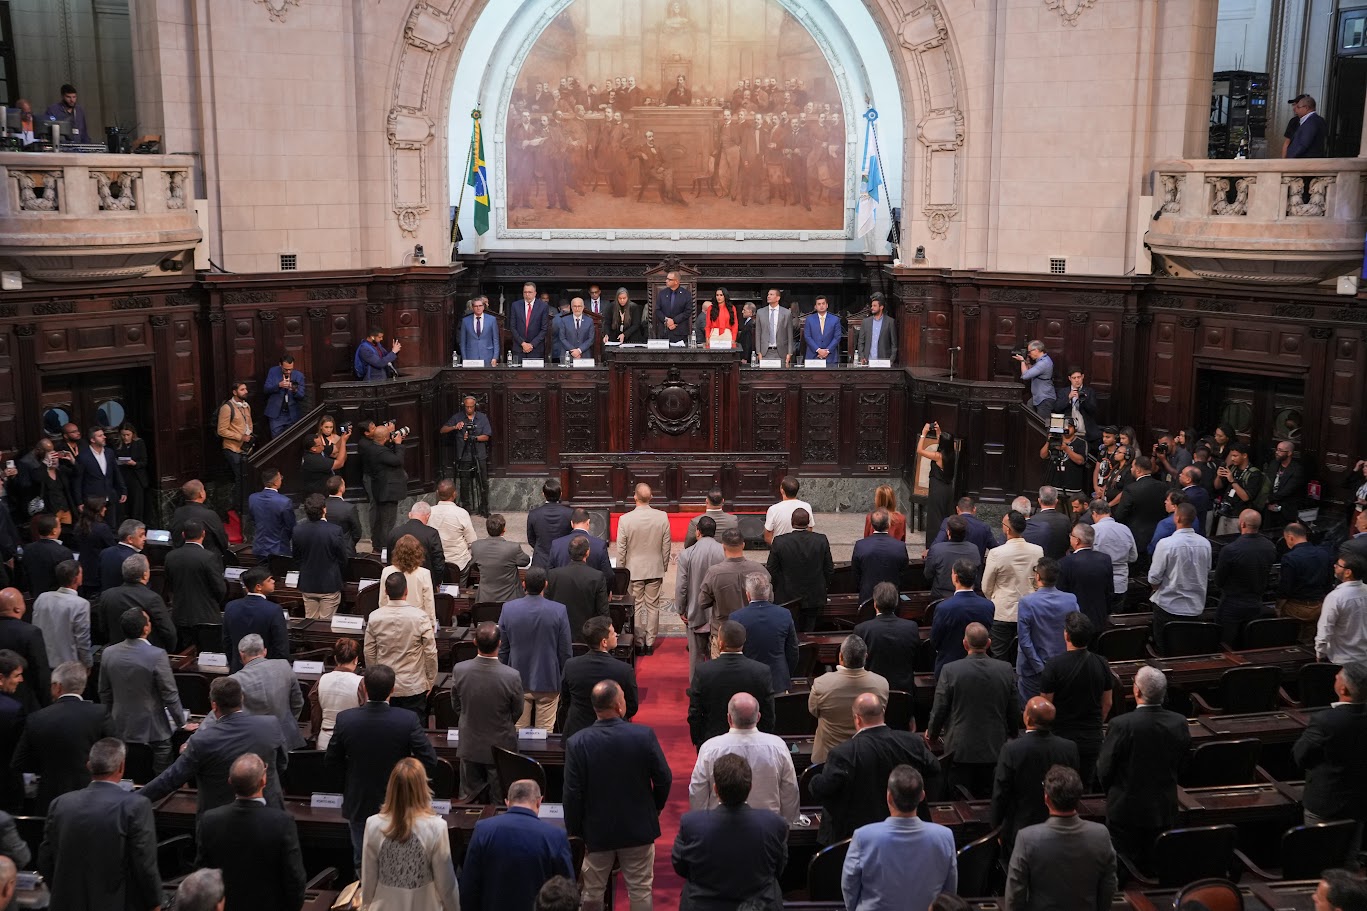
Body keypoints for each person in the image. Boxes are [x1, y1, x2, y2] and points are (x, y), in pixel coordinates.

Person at [565, 679, 672, 911]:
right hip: (637, 828)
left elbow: (572, 794)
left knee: (592, 892)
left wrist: (575, 833)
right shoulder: (643, 735)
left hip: (596, 831)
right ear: (618, 706)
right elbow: (664, 778)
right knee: (640, 890)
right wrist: (654, 808)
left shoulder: (577, 743)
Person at [326, 665, 440, 866]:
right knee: (398, 863)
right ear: (393, 689)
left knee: (363, 862)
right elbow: (429, 760)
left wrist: (349, 784)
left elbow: (331, 762)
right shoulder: (407, 720)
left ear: (364, 688)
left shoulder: (345, 719)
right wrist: (411, 785)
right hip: (399, 802)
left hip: (359, 801)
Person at [37, 738, 161, 911]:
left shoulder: (60, 803)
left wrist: (62, 892)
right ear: (121, 767)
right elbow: (144, 865)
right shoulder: (137, 806)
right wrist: (155, 902)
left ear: (89, 766)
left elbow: (45, 860)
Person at [811, 692, 940, 844]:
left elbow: (823, 790)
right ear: (883, 712)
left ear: (857, 719)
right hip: (908, 831)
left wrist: (814, 780)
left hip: (859, 835)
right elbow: (935, 768)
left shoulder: (843, 754)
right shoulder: (912, 741)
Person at [1096, 666, 1191, 864]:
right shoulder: (1179, 722)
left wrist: (1114, 792)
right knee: (1156, 863)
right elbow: (1183, 764)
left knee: (1124, 865)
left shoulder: (1121, 724)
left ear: (1136, 691)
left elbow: (1104, 768)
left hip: (1125, 809)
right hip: (1163, 807)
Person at [674, 753, 789, 911]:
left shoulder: (691, 824)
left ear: (715, 789)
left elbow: (680, 865)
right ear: (750, 787)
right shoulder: (774, 824)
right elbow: (779, 866)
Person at [195, 752, 306, 911]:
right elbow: (294, 876)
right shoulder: (282, 822)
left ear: (230, 781)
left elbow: (202, 873)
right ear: (263, 781)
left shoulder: (209, 820)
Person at [840, 765, 956, 911]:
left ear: (889, 797)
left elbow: (849, 885)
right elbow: (949, 894)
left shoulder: (863, 836)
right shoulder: (945, 836)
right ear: (922, 796)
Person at [1005, 765, 1117, 911]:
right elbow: (1108, 888)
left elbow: (1014, 897)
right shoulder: (1101, 834)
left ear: (1046, 798)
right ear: (1079, 798)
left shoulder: (1026, 838)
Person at [927, 623, 1018, 798]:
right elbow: (1013, 709)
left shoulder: (950, 670)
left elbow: (940, 708)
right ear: (989, 643)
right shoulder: (1005, 669)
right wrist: (1013, 733)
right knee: (990, 800)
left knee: (959, 800)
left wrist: (932, 733)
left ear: (965, 644)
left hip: (959, 750)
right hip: (994, 747)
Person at [460, 778, 575, 911]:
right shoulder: (556, 836)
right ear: (539, 802)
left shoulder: (483, 830)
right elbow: (567, 894)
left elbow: (468, 888)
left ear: (507, 802)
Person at [361, 757, 461, 909]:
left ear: (391, 787)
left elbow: (369, 878)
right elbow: (446, 884)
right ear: (422, 787)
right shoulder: (437, 827)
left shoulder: (373, 824)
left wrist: (365, 905)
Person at [98, 608, 186, 774]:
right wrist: (182, 722)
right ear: (146, 628)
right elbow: (169, 693)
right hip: (154, 729)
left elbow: (104, 692)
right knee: (161, 777)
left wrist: (111, 719)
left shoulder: (108, 653)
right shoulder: (157, 655)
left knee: (127, 774)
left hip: (120, 726)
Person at [11, 661, 107, 812]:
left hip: (50, 797)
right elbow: (115, 752)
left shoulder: (36, 718)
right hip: (91, 795)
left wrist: (48, 766)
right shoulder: (100, 714)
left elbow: (20, 762)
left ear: (57, 686)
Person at [991, 697, 1080, 859]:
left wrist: (995, 827)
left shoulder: (1012, 749)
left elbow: (1001, 792)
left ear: (1028, 719)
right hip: (1060, 826)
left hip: (1020, 827)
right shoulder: (1069, 748)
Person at [1293, 661, 1367, 853]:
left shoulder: (1325, 720)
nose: (1335, 676)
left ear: (1343, 689)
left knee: (1318, 856)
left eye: (1338, 676)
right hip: (1360, 802)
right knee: (1349, 856)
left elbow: (1301, 756)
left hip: (1326, 802)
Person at [688, 692, 798, 821]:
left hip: (720, 825)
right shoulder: (778, 746)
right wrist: (787, 825)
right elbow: (790, 790)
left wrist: (702, 824)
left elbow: (698, 791)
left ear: (729, 718)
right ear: (758, 717)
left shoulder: (710, 748)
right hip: (767, 826)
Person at [448, 621, 523, 802]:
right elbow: (517, 711)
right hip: (501, 746)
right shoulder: (511, 676)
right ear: (500, 643)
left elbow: (456, 705)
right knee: (499, 802)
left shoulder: (460, 670)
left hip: (470, 743)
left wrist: (470, 718)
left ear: (475, 642)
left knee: (469, 801)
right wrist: (502, 723)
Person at [1040, 612, 1113, 788]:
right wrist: (1094, 724)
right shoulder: (1102, 663)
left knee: (1060, 788)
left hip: (1061, 737)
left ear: (1066, 635)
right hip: (1092, 737)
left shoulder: (1054, 665)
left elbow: (1046, 706)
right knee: (1085, 787)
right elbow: (1107, 702)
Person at [498, 565, 572, 729]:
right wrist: (563, 679)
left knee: (518, 732)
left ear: (524, 584)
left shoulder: (508, 608)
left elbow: (503, 649)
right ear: (546, 584)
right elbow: (565, 651)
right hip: (548, 679)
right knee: (544, 734)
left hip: (517, 679)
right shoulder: (559, 610)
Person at [688, 620, 776, 746]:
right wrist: (763, 740)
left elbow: (695, 712)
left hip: (712, 740)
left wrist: (699, 741)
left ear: (720, 643)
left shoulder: (704, 671)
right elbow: (768, 713)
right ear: (744, 641)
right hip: (751, 742)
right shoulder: (761, 671)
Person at [365, 573, 438, 721]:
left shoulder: (374, 617)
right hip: (413, 684)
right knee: (413, 729)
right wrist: (430, 679)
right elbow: (430, 652)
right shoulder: (420, 617)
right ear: (406, 591)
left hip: (384, 684)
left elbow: (369, 652)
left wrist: (375, 679)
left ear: (386, 591)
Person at [809, 635, 890, 763]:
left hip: (828, 759)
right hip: (867, 757)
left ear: (840, 657)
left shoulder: (821, 683)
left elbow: (814, 711)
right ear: (865, 657)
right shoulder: (881, 684)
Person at [560, 615, 638, 742]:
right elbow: (632, 706)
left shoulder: (570, 665)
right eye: (613, 633)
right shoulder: (623, 670)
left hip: (577, 734)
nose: (616, 635)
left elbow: (565, 700)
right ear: (604, 642)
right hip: (612, 736)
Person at [983, 510, 1044, 664]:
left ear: (1007, 529)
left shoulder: (996, 553)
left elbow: (986, 586)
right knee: (1026, 655)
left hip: (1002, 611)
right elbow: (1038, 583)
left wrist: (996, 598)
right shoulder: (1037, 551)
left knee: (1000, 656)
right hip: (1028, 608)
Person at [617, 482, 672, 653]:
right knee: (653, 606)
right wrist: (663, 565)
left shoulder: (625, 519)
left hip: (633, 570)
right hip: (655, 568)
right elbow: (666, 546)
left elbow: (621, 549)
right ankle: (650, 643)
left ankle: (639, 643)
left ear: (634, 497)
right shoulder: (662, 516)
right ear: (651, 497)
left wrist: (620, 573)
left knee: (637, 606)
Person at [1147, 503, 1211, 648]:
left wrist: (1156, 588)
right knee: (1188, 648)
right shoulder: (1205, 544)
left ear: (1177, 518)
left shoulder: (1166, 544)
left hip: (1168, 607)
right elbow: (1206, 570)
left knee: (1164, 648)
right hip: (1195, 607)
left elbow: (1154, 577)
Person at [1016, 558, 1077, 702]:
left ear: (1037, 576)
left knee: (1032, 710)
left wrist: (1040, 668)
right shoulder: (1071, 599)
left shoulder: (1026, 602)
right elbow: (1076, 632)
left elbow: (1024, 641)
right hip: (1063, 667)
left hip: (1033, 671)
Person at [1213, 508, 1278, 645]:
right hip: (1256, 602)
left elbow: (1218, 580)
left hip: (1232, 604)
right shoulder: (1270, 547)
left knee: (1225, 643)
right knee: (1249, 643)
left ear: (1242, 524)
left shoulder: (1230, 550)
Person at [765, 507, 834, 633]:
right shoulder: (821, 540)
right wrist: (824, 587)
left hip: (787, 596)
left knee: (788, 631)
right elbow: (829, 568)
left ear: (792, 522)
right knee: (809, 631)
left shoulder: (780, 541)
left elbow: (771, 568)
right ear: (808, 523)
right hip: (814, 595)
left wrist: (779, 586)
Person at [233, 633, 306, 750]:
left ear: (241, 654)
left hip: (254, 744)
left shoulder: (234, 680)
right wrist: (286, 724)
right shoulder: (284, 666)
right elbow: (298, 702)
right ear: (264, 651)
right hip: (286, 739)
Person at [731, 573, 798, 694]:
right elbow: (793, 651)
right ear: (769, 593)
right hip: (777, 680)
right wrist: (785, 674)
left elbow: (733, 654)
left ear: (748, 595)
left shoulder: (736, 617)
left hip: (747, 681)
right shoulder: (784, 614)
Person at [163, 520, 226, 648]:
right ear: (203, 534)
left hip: (180, 615)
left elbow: (170, 585)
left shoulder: (170, 556)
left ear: (183, 534)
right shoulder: (209, 557)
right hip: (206, 616)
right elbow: (220, 589)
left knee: (184, 654)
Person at [929, 561, 997, 678]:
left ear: (955, 577)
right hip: (980, 669)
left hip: (949, 667)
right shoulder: (988, 605)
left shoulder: (943, 608)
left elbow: (935, 640)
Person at [677, 515, 726, 676]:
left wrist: (681, 609)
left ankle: (697, 688)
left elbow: (681, 586)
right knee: (717, 657)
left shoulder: (687, 554)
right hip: (719, 614)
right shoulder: (724, 551)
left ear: (698, 531)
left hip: (695, 611)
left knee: (696, 658)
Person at [855, 581, 921, 696]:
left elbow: (857, 665)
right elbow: (917, 662)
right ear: (896, 603)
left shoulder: (862, 630)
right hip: (904, 692)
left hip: (872, 693)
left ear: (875, 603)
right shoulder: (911, 627)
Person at [291, 493, 350, 621]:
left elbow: (296, 558)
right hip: (329, 584)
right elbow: (342, 559)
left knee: (309, 622)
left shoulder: (297, 530)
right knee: (325, 625)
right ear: (324, 509)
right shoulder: (335, 531)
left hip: (308, 584)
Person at [222, 565, 289, 672]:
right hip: (266, 670)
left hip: (238, 669)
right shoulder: (274, 610)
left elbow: (227, 642)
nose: (273, 581)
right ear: (259, 587)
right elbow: (281, 646)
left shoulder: (231, 606)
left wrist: (234, 665)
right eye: (269, 580)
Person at [546, 535, 610, 644]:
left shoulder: (553, 575)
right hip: (588, 637)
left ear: (569, 552)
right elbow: (603, 611)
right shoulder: (597, 576)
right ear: (587, 552)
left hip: (559, 635)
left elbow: (547, 605)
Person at [1277, 522, 1333, 639]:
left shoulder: (1290, 558)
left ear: (1290, 537)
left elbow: (1285, 588)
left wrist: (1278, 607)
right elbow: (1328, 583)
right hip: (1319, 606)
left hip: (1297, 608)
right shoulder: (1324, 554)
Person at [358, 419, 408, 548]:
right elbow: (397, 460)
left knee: (381, 521)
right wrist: (398, 444)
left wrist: (392, 442)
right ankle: (384, 548)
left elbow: (387, 454)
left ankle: (378, 546)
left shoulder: (372, 447)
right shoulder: (379, 451)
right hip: (387, 492)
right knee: (387, 522)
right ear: (385, 438)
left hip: (380, 489)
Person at [33, 562, 91, 670]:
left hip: (42, 662)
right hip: (68, 666)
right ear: (76, 578)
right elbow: (82, 641)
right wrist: (87, 664)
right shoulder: (81, 604)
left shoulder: (42, 598)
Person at [1057, 523, 1115, 628]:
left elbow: (1062, 594)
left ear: (1077, 540)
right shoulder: (1105, 559)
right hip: (1099, 617)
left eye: (1071, 535)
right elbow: (1109, 591)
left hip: (1075, 621)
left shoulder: (1065, 563)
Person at [310, 638, 363, 751]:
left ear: (335, 658)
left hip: (325, 739)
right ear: (356, 660)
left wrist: (316, 734)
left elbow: (315, 714)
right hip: (352, 739)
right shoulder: (361, 683)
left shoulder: (322, 680)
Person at [443, 397, 492, 518]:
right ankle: (466, 507)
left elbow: (486, 436)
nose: (469, 409)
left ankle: (484, 507)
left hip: (479, 454)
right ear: (463, 406)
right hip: (464, 455)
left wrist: (474, 438)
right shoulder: (457, 417)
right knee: (464, 482)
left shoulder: (482, 418)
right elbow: (443, 430)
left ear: (475, 406)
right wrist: (455, 427)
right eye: (467, 407)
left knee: (483, 482)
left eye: (471, 406)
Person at [469, 514, 532, 602]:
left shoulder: (476, 546)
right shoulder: (513, 547)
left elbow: (474, 566)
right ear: (504, 530)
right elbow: (525, 561)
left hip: (486, 598)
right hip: (510, 598)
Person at [1317, 552, 1367, 665]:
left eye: (1338, 565)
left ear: (1348, 572)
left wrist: (1320, 653)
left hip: (1342, 659)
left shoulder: (1335, 597)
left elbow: (1325, 628)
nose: (1335, 566)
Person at [852, 508, 908, 605]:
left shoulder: (860, 545)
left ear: (872, 525)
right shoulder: (900, 546)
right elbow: (903, 572)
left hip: (868, 597)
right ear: (888, 524)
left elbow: (856, 573)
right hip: (892, 597)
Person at [380, 533, 438, 624]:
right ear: (418, 552)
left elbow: (382, 600)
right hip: (417, 621)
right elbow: (429, 602)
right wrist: (431, 623)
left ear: (396, 552)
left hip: (392, 620)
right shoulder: (424, 573)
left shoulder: (387, 571)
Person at [386, 500, 447, 586]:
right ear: (428, 516)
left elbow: (390, 559)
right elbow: (438, 562)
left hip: (398, 583)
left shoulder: (394, 532)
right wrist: (437, 582)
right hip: (424, 582)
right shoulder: (431, 533)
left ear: (410, 514)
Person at [1089, 499, 1137, 605]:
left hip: (1099, 582)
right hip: (1121, 583)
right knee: (1117, 612)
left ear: (1094, 513)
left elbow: (1088, 557)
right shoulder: (1125, 529)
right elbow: (1133, 557)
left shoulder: (1092, 530)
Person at [428, 479, 479, 579]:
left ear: (437, 493)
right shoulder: (461, 513)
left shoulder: (429, 512)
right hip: (459, 563)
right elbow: (472, 541)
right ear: (455, 494)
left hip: (435, 563)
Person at [217, 381, 254, 516]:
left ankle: (244, 504)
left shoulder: (246, 406)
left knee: (246, 477)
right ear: (234, 392)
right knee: (240, 477)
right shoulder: (227, 408)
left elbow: (249, 424)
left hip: (246, 448)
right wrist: (240, 437)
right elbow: (221, 430)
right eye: (242, 389)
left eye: (246, 389)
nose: (246, 391)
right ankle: (239, 506)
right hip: (232, 448)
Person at [548, 507, 613, 583]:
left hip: (562, 588)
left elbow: (549, 573)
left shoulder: (556, 544)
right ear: (588, 522)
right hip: (591, 589)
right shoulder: (599, 545)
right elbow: (608, 575)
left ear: (572, 523)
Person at [72, 427, 126, 516]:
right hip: (93, 500)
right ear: (92, 440)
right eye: (100, 436)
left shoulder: (109, 452)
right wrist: (79, 502)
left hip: (110, 497)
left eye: (103, 435)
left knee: (112, 523)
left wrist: (123, 490)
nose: (104, 437)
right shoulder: (83, 457)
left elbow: (116, 472)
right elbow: (78, 480)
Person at [925, 515, 980, 600]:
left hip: (940, 597)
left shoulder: (937, 549)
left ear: (948, 532)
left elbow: (928, 574)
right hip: (967, 596)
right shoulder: (974, 549)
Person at [171, 479, 230, 556]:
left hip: (181, 556)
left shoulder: (178, 512)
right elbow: (222, 539)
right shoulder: (209, 514)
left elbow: (175, 537)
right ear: (201, 494)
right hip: (208, 557)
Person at [72, 496, 117, 596]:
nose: (105, 509)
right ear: (98, 510)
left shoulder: (78, 526)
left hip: (83, 568)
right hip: (98, 571)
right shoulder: (102, 528)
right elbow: (112, 547)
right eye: (103, 507)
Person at [247, 467, 295, 557]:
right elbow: (290, 527)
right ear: (276, 482)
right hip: (278, 550)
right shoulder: (285, 502)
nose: (281, 479)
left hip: (259, 547)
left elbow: (252, 520)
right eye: (281, 477)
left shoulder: (252, 498)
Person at [22, 513, 73, 597]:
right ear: (54, 531)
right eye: (59, 526)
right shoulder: (63, 552)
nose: (61, 528)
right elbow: (68, 581)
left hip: (36, 596)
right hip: (57, 598)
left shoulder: (28, 549)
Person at [527, 478, 573, 569]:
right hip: (562, 560)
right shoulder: (569, 513)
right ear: (560, 494)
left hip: (541, 560)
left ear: (543, 494)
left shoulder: (534, 514)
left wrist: (541, 548)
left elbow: (531, 539)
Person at [1051, 367, 1101, 446]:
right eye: (1074, 378)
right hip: (1067, 430)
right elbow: (1057, 408)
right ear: (1069, 378)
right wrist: (1068, 398)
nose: (1077, 380)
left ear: (1082, 377)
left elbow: (1093, 410)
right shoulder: (1063, 392)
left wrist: (1083, 400)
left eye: (1079, 377)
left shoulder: (1090, 391)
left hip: (1085, 430)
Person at [262, 353, 306, 438]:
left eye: (291, 369)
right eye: (286, 369)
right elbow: (266, 389)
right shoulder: (273, 371)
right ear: (280, 365)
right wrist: (279, 385)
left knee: (292, 439)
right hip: (276, 414)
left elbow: (301, 396)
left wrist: (294, 389)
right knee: (276, 440)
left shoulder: (299, 375)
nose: (288, 372)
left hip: (292, 414)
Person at [1024, 487, 1072, 560]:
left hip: (1040, 561)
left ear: (1039, 501)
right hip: (1061, 560)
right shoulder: (1065, 519)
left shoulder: (1032, 521)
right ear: (1056, 501)